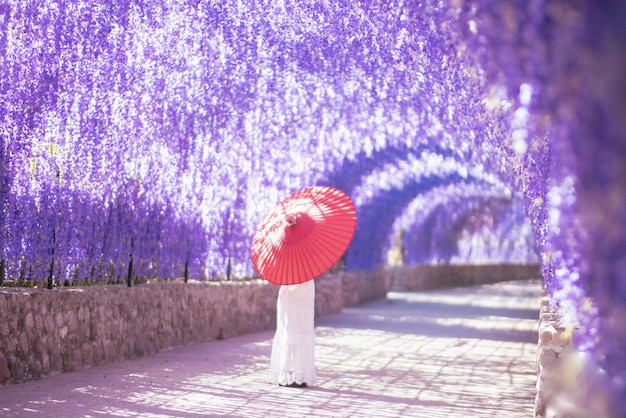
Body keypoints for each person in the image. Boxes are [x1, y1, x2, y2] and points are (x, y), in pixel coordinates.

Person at [268, 279, 317, 388]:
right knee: (292, 337)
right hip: (291, 306)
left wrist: (287, 288)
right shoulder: (304, 272)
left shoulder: (299, 273)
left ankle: (297, 375)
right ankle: (296, 374)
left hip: (296, 305)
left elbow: (298, 292)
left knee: (294, 337)